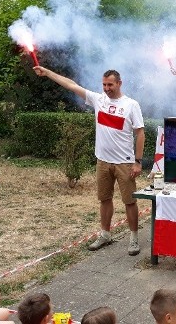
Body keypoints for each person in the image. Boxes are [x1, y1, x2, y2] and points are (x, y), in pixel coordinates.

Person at [34, 66, 145, 256]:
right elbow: (71, 85)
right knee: (104, 199)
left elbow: (140, 133)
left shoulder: (131, 105)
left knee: (129, 201)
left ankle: (134, 238)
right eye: (104, 84)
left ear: (119, 83)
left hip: (124, 163)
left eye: (110, 84)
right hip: (102, 161)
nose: (107, 88)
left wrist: (138, 162)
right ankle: (105, 234)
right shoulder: (97, 99)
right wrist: (49, 73)